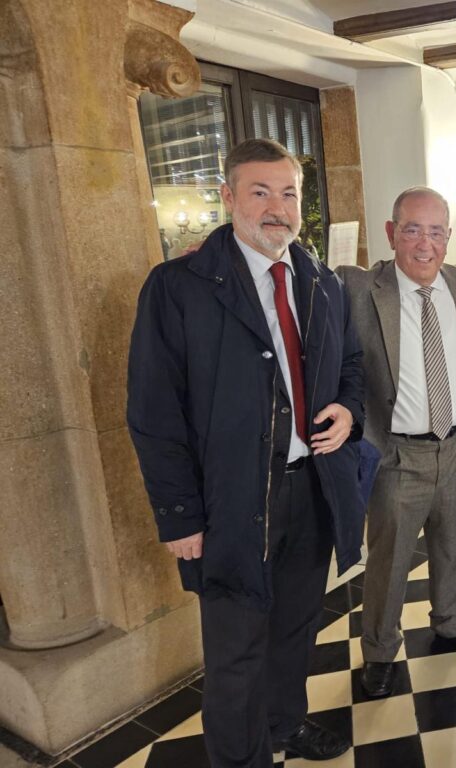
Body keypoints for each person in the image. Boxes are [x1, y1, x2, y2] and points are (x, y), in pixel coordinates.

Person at [128, 138, 364, 767]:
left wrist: (348, 410)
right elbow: (153, 413)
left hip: (310, 489)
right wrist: (180, 516)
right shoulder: (178, 288)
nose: (277, 208)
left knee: (295, 630)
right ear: (228, 197)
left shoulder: (321, 281)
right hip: (231, 502)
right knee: (235, 655)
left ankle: (284, 724)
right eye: (260, 192)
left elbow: (352, 365)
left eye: (288, 193)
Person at [338, 187, 456, 699]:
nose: (425, 244)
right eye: (412, 230)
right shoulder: (359, 287)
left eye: (436, 232)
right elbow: (298, 277)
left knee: (455, 545)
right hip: (398, 454)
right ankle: (380, 651)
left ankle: (452, 623)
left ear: (448, 236)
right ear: (391, 233)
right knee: (389, 561)